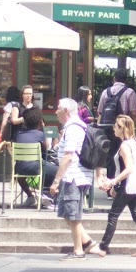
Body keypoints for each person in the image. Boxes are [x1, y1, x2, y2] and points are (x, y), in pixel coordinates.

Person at [49, 98, 102, 258]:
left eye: (58, 108)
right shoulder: (76, 125)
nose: (56, 111)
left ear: (66, 111)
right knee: (66, 212)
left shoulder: (73, 128)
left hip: (74, 176)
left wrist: (56, 181)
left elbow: (68, 156)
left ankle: (78, 250)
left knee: (73, 214)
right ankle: (88, 243)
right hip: (76, 175)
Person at [98, 114, 136, 257]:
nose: (113, 128)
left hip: (127, 186)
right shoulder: (133, 143)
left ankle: (103, 247)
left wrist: (113, 182)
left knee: (113, 215)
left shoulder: (124, 146)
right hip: (134, 186)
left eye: (116, 126)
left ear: (122, 129)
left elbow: (128, 168)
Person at [12, 106, 54, 210]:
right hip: (36, 166)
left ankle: (30, 196)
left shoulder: (18, 134)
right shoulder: (39, 134)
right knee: (58, 172)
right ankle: (48, 195)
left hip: (19, 168)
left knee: (21, 175)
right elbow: (46, 149)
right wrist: (44, 129)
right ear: (39, 122)